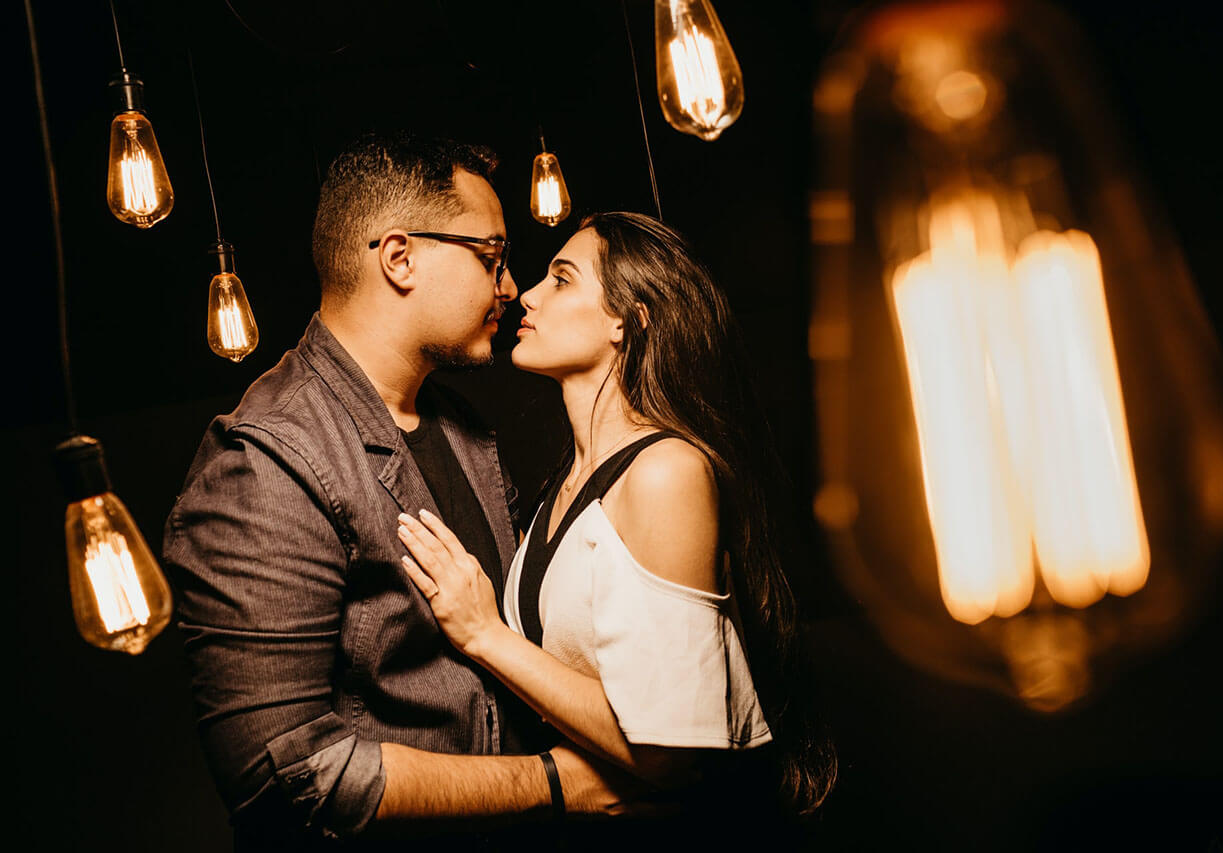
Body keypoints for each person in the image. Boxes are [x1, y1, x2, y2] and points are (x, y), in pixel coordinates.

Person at [163, 134, 632, 851]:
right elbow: (291, 775)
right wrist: (555, 783)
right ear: (400, 257)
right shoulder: (267, 459)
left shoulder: (461, 424)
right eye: (492, 257)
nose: (509, 287)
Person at [394, 212, 837, 840]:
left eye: (562, 279)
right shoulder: (564, 483)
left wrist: (484, 635)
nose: (527, 294)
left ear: (626, 320)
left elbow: (672, 755)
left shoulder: (665, 471)